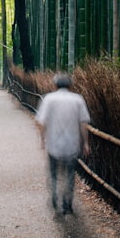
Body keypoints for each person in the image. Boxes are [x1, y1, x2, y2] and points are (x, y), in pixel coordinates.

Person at [35, 73, 91, 215]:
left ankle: (54, 196)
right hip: (72, 143)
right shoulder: (78, 99)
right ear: (70, 85)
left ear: (55, 85)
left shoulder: (49, 98)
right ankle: (67, 203)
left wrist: (42, 139)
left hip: (53, 142)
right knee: (70, 173)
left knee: (53, 172)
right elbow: (83, 122)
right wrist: (85, 143)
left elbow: (41, 121)